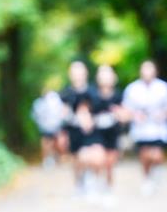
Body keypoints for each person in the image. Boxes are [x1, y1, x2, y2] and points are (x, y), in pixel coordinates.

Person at [123, 59, 167, 196]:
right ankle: (147, 179)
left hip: (158, 129)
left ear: (155, 71)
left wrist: (163, 115)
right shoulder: (132, 89)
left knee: (157, 155)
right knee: (144, 155)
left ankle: (157, 171)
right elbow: (126, 109)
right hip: (141, 130)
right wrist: (135, 115)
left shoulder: (163, 87)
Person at [59, 60, 98, 196]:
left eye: (80, 71)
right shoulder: (66, 93)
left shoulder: (93, 91)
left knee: (89, 156)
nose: (77, 75)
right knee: (76, 159)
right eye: (74, 72)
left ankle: (91, 180)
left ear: (85, 73)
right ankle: (79, 184)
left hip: (91, 131)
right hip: (73, 131)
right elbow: (63, 115)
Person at [90, 65, 125, 201]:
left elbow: (125, 114)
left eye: (108, 75)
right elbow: (85, 111)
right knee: (97, 158)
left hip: (113, 132)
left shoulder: (118, 95)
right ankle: (95, 183)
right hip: (96, 132)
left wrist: (119, 114)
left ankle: (108, 189)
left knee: (110, 163)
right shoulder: (92, 94)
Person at [30, 85, 64, 169]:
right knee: (46, 143)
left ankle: (55, 157)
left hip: (55, 126)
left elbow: (60, 112)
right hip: (45, 127)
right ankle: (47, 159)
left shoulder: (55, 100)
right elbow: (35, 115)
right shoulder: (38, 103)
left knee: (56, 143)